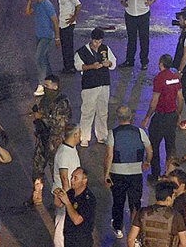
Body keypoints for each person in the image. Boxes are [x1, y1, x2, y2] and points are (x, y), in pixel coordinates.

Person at [105, 105, 152, 239]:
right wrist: (147, 162)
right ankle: (135, 230)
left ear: (118, 117)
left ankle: (118, 227)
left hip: (117, 173)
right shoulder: (140, 132)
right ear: (131, 117)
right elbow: (150, 150)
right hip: (135, 173)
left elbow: (109, 156)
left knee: (118, 201)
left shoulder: (113, 134)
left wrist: (106, 174)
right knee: (135, 202)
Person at [29, 75, 71, 205]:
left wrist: (42, 117)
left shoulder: (61, 102)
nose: (45, 89)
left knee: (56, 172)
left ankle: (59, 201)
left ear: (55, 86)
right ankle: (36, 196)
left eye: (47, 86)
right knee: (37, 168)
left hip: (55, 142)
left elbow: (60, 124)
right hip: (43, 139)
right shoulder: (45, 100)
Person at [116, 0, 162, 71]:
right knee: (131, 39)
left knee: (144, 39)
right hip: (130, 13)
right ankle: (129, 60)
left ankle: (144, 62)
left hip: (143, 14)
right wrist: (122, 1)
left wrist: (151, 1)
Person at [75, 27, 117, 146]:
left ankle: (102, 135)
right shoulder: (81, 52)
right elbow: (78, 66)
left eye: (99, 42)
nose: (97, 44)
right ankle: (84, 137)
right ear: (91, 39)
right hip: (89, 86)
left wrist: (109, 63)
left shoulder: (105, 49)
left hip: (104, 84)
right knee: (87, 111)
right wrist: (92, 66)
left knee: (103, 111)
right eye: (95, 42)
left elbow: (113, 62)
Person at [143, 54, 182, 182]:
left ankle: (156, 176)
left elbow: (155, 101)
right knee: (170, 147)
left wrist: (147, 117)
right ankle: (171, 174)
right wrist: (178, 114)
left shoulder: (159, 79)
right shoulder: (176, 78)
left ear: (161, 63)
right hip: (172, 116)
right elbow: (180, 98)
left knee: (154, 145)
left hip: (160, 118)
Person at [27, 0, 60, 96]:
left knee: (38, 58)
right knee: (44, 59)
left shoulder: (47, 5)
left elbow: (55, 21)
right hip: (39, 36)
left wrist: (57, 37)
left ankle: (41, 84)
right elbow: (28, 13)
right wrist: (30, 1)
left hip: (47, 37)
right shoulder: (37, 4)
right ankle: (52, 80)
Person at [54, 167, 95, 247]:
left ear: (84, 180)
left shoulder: (88, 199)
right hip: (69, 238)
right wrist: (57, 195)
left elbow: (77, 220)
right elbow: (59, 204)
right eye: (72, 177)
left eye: (75, 178)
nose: (72, 180)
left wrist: (68, 203)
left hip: (81, 241)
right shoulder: (71, 192)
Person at [54, 0, 81, 75]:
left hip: (68, 24)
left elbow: (78, 4)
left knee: (68, 46)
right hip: (62, 23)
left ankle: (70, 67)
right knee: (65, 46)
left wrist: (74, 17)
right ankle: (66, 66)